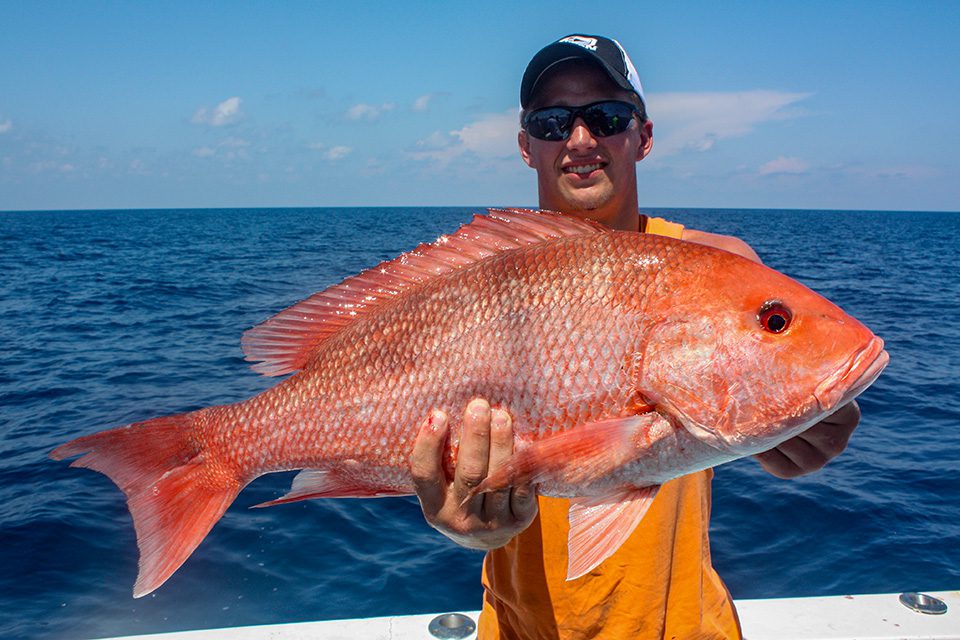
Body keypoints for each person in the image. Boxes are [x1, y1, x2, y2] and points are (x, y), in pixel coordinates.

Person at [410, 34, 861, 639]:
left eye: (606, 116)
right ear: (526, 148)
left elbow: (762, 380)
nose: (579, 140)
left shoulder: (716, 267)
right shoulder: (480, 283)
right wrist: (461, 525)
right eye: (551, 122)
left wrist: (805, 424)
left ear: (643, 136)